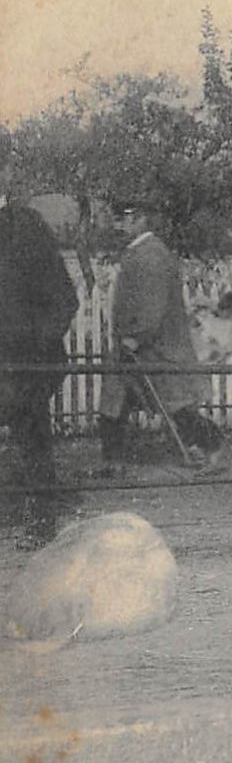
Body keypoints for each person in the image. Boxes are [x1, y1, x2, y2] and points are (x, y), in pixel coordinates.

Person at [97, 197, 225, 469]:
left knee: (175, 409)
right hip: (140, 349)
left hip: (154, 349)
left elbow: (151, 307)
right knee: (115, 403)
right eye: (117, 220)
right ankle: (112, 462)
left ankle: (213, 445)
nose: (118, 227)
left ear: (138, 220)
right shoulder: (140, 252)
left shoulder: (150, 255)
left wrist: (135, 337)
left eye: (123, 220)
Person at [0, 193, 79, 548]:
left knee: (31, 437)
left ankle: (41, 522)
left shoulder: (26, 228)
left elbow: (64, 299)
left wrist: (33, 349)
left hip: (23, 362)